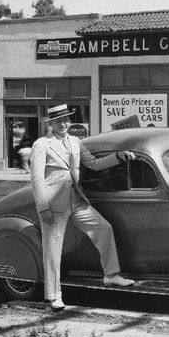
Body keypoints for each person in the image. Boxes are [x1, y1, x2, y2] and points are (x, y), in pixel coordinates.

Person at [30, 103, 135, 311]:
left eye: (67, 119)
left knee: (103, 228)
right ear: (50, 123)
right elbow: (36, 179)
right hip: (53, 204)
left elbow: (94, 164)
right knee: (52, 250)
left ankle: (111, 275)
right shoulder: (41, 145)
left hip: (76, 200)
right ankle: (54, 296)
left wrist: (118, 156)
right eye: (59, 120)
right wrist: (43, 208)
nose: (64, 123)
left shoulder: (76, 142)